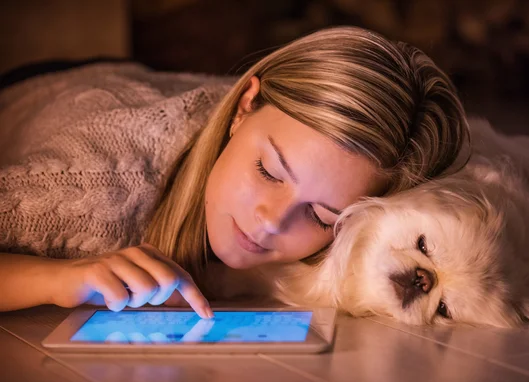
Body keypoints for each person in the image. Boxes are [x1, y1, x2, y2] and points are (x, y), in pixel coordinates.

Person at [0, 26, 469, 318]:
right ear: (244, 107)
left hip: (151, 79)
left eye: (321, 217)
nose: (270, 221)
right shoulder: (97, 187)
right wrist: (57, 280)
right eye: (268, 171)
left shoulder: (362, 179)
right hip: (39, 84)